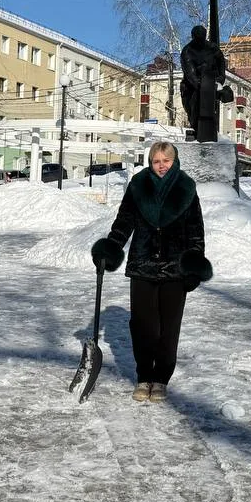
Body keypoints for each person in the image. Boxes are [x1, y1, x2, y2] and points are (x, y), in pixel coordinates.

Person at [90, 141, 213, 403]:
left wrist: (194, 263)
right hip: (142, 267)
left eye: (166, 161)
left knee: (169, 329)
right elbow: (123, 222)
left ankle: (161, 379)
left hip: (174, 270)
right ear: (150, 162)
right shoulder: (138, 185)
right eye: (157, 161)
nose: (161, 166)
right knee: (143, 326)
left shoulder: (186, 188)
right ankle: (144, 376)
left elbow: (195, 231)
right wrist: (111, 247)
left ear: (174, 161)